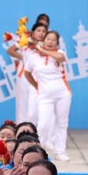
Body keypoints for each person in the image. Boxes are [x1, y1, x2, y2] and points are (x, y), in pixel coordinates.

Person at [24, 30, 72, 162]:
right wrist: (37, 86)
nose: (50, 42)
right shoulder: (33, 57)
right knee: (43, 124)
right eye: (48, 39)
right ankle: (39, 151)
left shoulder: (59, 54)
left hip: (62, 93)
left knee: (61, 123)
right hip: (45, 96)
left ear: (57, 42)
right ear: (43, 40)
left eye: (53, 40)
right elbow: (27, 73)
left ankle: (60, 151)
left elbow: (61, 59)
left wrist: (41, 49)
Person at [7, 22, 47, 125]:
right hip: (24, 76)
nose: (41, 33)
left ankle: (31, 130)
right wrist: (22, 58)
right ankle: (20, 130)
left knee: (34, 105)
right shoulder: (24, 41)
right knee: (22, 104)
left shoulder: (47, 45)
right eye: (38, 31)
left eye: (43, 31)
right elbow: (10, 50)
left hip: (38, 77)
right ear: (33, 33)